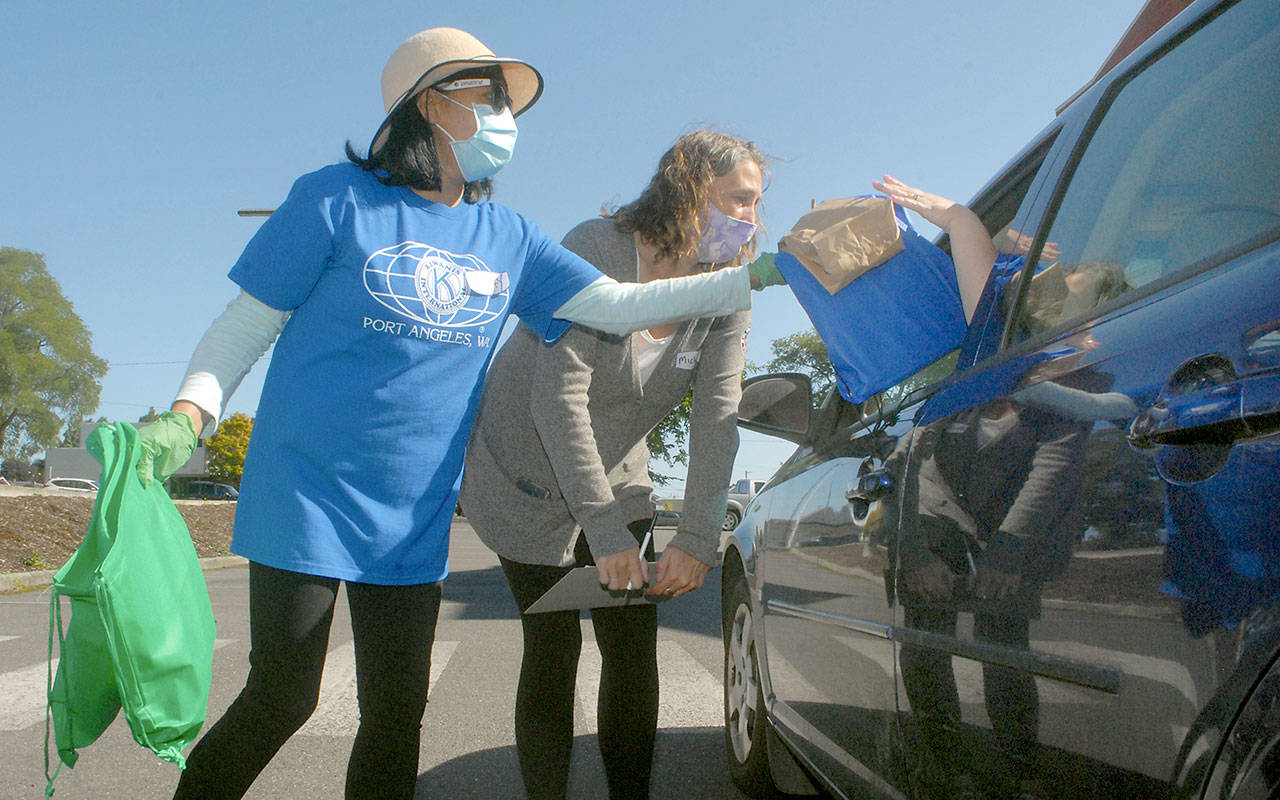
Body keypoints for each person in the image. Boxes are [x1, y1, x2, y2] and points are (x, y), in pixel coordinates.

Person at [135, 28, 776, 800]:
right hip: (306, 489)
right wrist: (190, 413)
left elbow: (617, 303)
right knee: (284, 697)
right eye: (491, 98)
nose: (507, 118)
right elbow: (248, 321)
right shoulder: (335, 199)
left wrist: (755, 276)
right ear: (432, 105)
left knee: (397, 713)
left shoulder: (506, 237)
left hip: (413, 512)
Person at [459, 130, 766, 799]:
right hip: (525, 473)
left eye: (755, 204)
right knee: (552, 648)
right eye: (740, 200)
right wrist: (600, 534)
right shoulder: (595, 249)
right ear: (690, 188)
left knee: (631, 649)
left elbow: (718, 415)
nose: (751, 219)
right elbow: (556, 397)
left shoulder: (727, 292)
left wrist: (699, 535)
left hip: (619, 473)